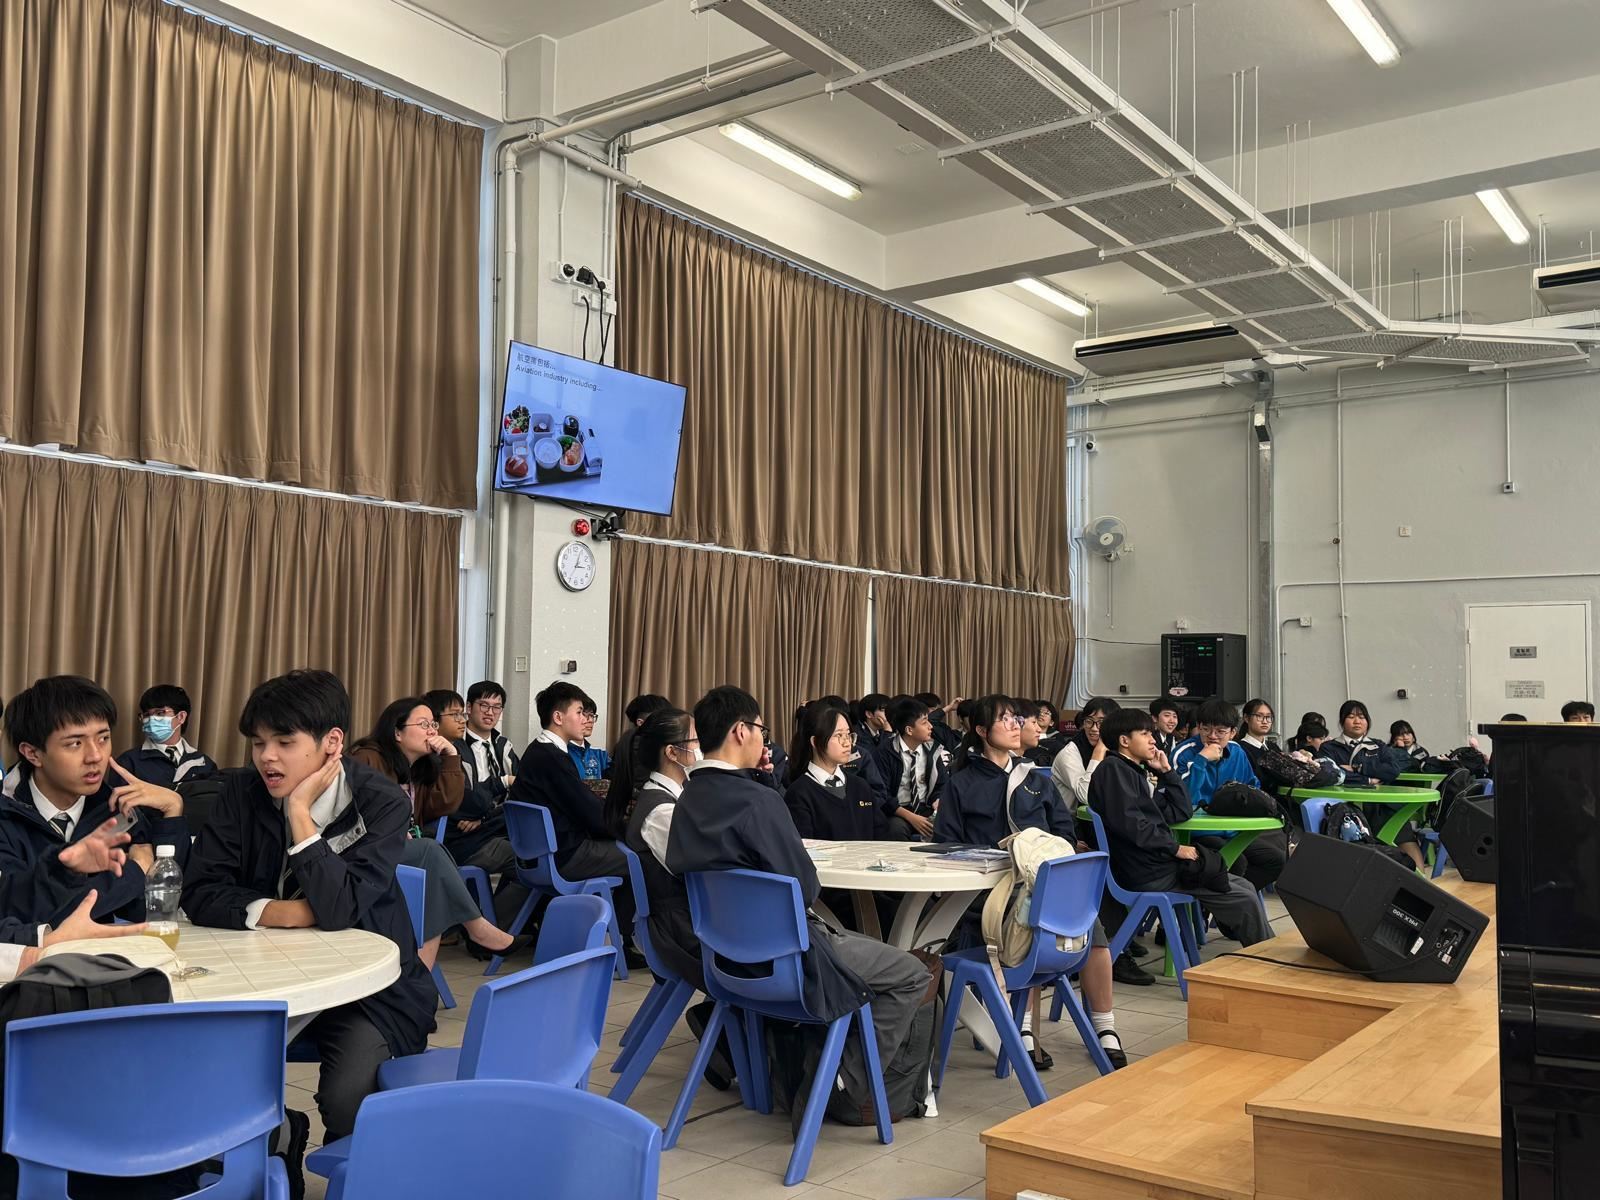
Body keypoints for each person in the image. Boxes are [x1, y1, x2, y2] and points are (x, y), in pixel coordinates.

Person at [182, 669, 437, 1169]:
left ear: (331, 743)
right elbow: (200, 890)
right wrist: (286, 912)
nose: (266, 757)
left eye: (284, 742)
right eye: (258, 743)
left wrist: (300, 815)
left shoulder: (380, 801)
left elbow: (339, 910)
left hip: (367, 990)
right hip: (256, 974)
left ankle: (356, 1177)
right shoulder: (241, 792)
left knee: (348, 1097)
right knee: (204, 1073)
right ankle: (277, 1143)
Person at [667, 685, 930, 1098]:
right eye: (761, 729)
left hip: (724, 960)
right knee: (911, 973)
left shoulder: (688, 799)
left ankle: (813, 1067)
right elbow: (805, 888)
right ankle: (843, 1084)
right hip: (789, 959)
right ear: (741, 731)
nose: (763, 738)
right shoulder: (758, 801)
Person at [934, 695, 1129, 1067]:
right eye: (1004, 719)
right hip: (993, 890)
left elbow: (1064, 832)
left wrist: (1043, 856)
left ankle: (1105, 1026)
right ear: (981, 730)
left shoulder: (1036, 777)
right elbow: (947, 845)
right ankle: (1022, 1027)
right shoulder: (961, 783)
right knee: (1026, 928)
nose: (1015, 725)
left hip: (1043, 882)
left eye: (1015, 718)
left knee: (1091, 930)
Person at [0, 676, 190, 926]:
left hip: (105, 948)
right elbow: (17, 913)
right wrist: (136, 870)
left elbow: (153, 908)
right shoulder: (7, 815)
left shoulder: (118, 810)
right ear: (33, 753)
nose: (95, 756)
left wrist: (172, 812)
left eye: (103, 738)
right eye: (75, 743)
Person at [347, 698, 516, 966]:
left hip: (395, 852)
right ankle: (476, 928)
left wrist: (451, 757)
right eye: (423, 724)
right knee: (429, 850)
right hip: (362, 853)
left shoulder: (419, 768)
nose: (432, 731)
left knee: (432, 876)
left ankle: (422, 972)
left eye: (433, 725)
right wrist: (393, 830)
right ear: (397, 732)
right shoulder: (368, 758)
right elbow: (351, 814)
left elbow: (448, 803)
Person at [1090, 708, 1270, 946]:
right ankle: (1266, 960)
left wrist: (1167, 772)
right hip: (1146, 871)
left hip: (1158, 865)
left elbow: (1181, 812)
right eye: (1145, 734)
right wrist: (1175, 848)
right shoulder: (1113, 770)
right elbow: (1132, 825)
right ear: (1124, 740)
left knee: (1244, 886)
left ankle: (1265, 956)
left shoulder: (1135, 773)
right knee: (1242, 897)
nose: (1153, 740)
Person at [506, 681, 639, 960]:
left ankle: (614, 939)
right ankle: (621, 944)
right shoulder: (552, 758)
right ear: (558, 717)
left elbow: (582, 804)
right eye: (579, 712)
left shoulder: (538, 751)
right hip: (565, 856)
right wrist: (629, 826)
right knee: (639, 857)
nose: (584, 719)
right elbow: (590, 814)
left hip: (539, 858)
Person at [1170, 698, 1287, 891]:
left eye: (1220, 731)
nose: (1212, 736)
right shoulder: (1183, 753)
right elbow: (1183, 800)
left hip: (1233, 831)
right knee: (1236, 862)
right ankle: (1227, 902)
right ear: (1198, 727)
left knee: (1276, 860)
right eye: (1206, 729)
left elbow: (1252, 787)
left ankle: (1234, 899)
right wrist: (1201, 761)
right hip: (1194, 833)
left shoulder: (1237, 752)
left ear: (1233, 732)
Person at [1323, 700, 1424, 871]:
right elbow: (1332, 773)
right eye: (1351, 717)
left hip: (1381, 806)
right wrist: (1369, 779)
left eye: (1362, 717)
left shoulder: (1378, 746)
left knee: (1402, 832)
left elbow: (1392, 770)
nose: (1357, 721)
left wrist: (1358, 768)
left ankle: (1421, 882)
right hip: (1345, 808)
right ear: (1342, 721)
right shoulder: (1330, 748)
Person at [783, 703, 888, 841]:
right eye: (839, 735)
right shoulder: (799, 792)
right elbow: (804, 846)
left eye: (848, 735)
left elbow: (881, 836)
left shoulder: (860, 786)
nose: (847, 743)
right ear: (815, 741)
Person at [114, 684, 219, 787]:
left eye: (160, 713)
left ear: (181, 717)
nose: (151, 719)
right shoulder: (128, 762)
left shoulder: (203, 763)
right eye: (147, 715)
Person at [872, 695, 943, 840]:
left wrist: (938, 800)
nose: (930, 726)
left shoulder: (933, 750)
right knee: (895, 829)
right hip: (897, 810)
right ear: (909, 730)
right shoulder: (885, 752)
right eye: (924, 722)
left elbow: (942, 784)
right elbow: (882, 794)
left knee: (948, 826)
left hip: (926, 807)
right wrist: (911, 817)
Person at [1051, 696, 1120, 822]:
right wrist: (1098, 753)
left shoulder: (1115, 748)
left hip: (1103, 817)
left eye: (1101, 722)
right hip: (1069, 823)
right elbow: (1086, 796)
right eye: (1089, 721)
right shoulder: (1069, 753)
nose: (1094, 728)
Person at [568, 702, 612, 782]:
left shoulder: (600, 755)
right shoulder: (561, 752)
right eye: (584, 715)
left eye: (591, 715)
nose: (590, 720)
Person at [1235, 698, 1277, 775]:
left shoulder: (1273, 747)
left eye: (1268, 717)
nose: (1265, 721)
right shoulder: (1240, 749)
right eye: (1259, 716)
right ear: (1246, 718)